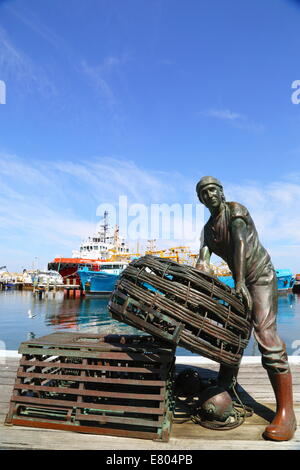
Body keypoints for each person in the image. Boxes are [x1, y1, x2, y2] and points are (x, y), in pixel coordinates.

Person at [195, 175, 296, 441]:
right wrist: (200, 275)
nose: (209, 195)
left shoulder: (236, 210)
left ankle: (287, 412)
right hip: (240, 279)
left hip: (259, 276)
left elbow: (239, 243)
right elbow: (203, 259)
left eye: (213, 190)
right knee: (234, 330)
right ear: (200, 200)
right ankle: (226, 382)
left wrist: (239, 281)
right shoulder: (208, 230)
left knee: (265, 334)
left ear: (222, 192)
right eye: (204, 193)